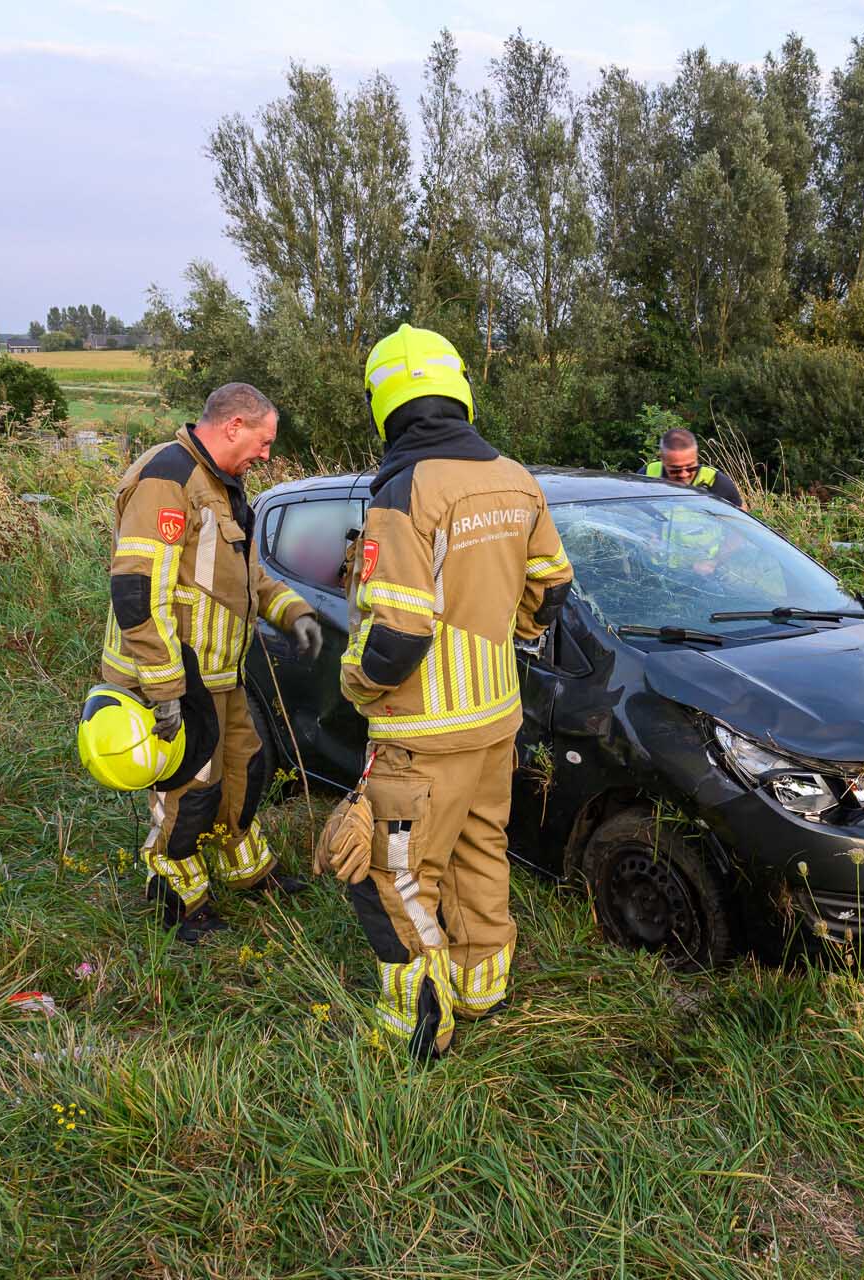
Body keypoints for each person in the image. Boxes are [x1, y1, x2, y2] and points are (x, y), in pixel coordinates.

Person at [342, 324, 573, 1061]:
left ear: (386, 402)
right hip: (496, 716)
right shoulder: (515, 476)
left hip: (423, 728)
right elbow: (552, 584)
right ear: (458, 389)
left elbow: (399, 636)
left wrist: (359, 684)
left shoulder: (404, 490)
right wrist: (509, 631)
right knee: (482, 850)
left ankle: (418, 1027)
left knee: (396, 874)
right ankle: (482, 990)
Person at [99, 383, 324, 943]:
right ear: (233, 426)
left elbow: (245, 575)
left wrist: (292, 611)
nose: (267, 455)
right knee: (188, 788)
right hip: (175, 676)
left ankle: (246, 869)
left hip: (220, 673)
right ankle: (178, 897)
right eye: (264, 441)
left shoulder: (222, 483)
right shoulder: (167, 479)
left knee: (243, 771)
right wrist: (165, 685)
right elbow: (136, 588)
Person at [642, 427, 745, 509]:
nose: (684, 474)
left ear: (696, 457)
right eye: (676, 469)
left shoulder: (715, 482)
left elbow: (742, 525)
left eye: (690, 467)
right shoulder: (646, 476)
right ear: (663, 459)